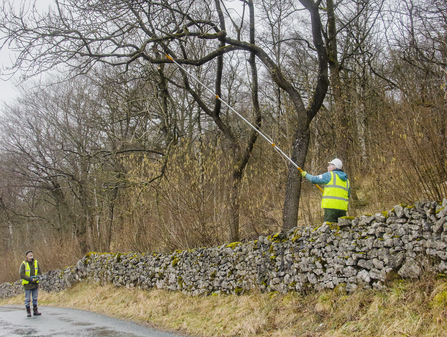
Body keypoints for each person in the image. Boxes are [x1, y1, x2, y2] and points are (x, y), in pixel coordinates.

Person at [301, 158, 351, 223]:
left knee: (329, 229)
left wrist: (306, 175)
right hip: (342, 209)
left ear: (333, 167)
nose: (327, 167)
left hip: (330, 208)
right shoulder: (346, 180)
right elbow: (348, 195)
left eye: (329, 165)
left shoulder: (330, 175)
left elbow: (314, 179)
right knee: (342, 230)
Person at [19, 250, 41, 317]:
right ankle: (28, 312)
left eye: (31, 253)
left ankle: (35, 311)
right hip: (27, 284)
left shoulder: (36, 262)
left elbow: (39, 272)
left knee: (35, 298)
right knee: (27, 299)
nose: (31, 254)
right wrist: (30, 279)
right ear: (26, 256)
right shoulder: (23, 264)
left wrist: (37, 277)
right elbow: (21, 274)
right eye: (29, 254)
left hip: (35, 284)